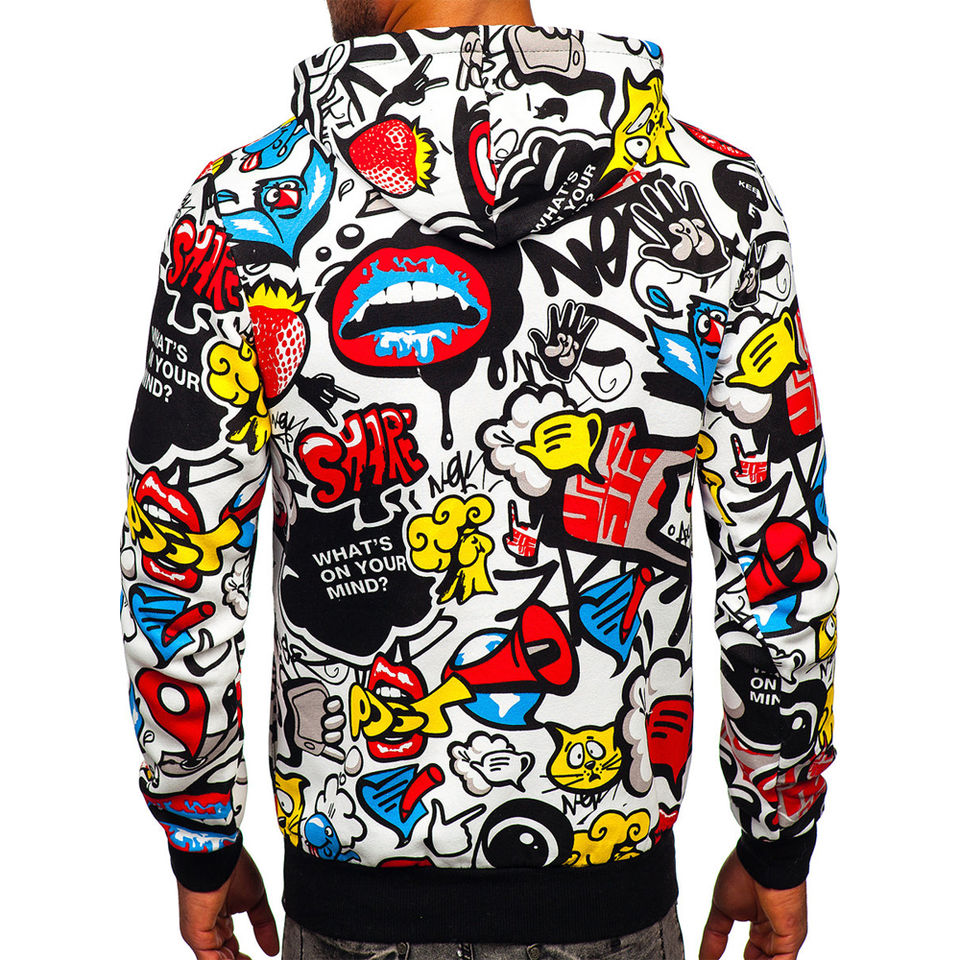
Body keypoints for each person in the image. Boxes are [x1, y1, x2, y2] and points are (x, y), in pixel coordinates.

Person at [118, 1, 839, 959]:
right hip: (612, 903)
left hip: (352, 907)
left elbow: (177, 567)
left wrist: (201, 838)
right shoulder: (718, 201)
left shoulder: (238, 215)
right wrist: (778, 838)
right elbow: (778, 562)